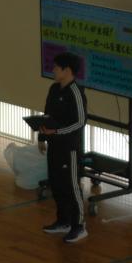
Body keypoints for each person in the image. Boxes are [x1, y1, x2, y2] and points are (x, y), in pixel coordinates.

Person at [38, 52, 88, 243]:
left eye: (56, 67)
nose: (53, 70)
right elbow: (47, 114)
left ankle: (79, 226)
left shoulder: (76, 92)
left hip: (70, 149)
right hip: (54, 146)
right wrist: (42, 136)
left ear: (67, 70)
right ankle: (63, 221)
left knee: (71, 186)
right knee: (56, 184)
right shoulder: (53, 89)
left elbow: (80, 122)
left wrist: (57, 132)